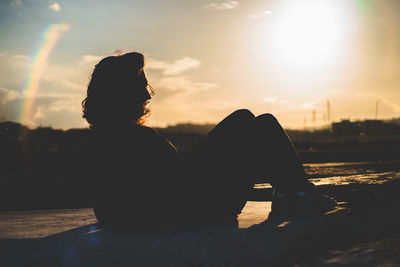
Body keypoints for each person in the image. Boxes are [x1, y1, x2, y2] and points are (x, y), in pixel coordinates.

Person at [82, 52, 337, 230]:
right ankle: (295, 194)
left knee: (249, 121)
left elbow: (113, 204)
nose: (147, 95)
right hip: (199, 211)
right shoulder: (131, 138)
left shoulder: (107, 138)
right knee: (253, 121)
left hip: (187, 207)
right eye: (140, 87)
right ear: (120, 93)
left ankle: (291, 194)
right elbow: (172, 188)